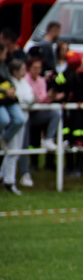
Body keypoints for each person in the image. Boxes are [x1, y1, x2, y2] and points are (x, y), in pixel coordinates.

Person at [1, 59, 33, 195]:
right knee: (12, 151)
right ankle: (9, 181)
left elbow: (30, 97)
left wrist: (31, 98)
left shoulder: (23, 83)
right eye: (22, 69)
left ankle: (4, 177)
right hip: (14, 125)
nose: (25, 71)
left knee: (16, 151)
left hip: (23, 122)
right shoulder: (11, 83)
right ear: (15, 71)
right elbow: (20, 98)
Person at [0, 43, 26, 151]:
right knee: (4, 120)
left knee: (20, 119)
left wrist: (12, 88)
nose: (6, 56)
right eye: (5, 53)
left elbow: (10, 80)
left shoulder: (3, 65)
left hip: (9, 99)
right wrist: (6, 92)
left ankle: (4, 139)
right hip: (2, 98)